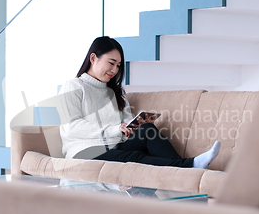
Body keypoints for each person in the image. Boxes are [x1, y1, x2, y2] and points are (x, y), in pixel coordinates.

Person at [58, 36, 220, 169]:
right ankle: (189, 166)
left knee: (147, 129)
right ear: (93, 58)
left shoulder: (117, 91)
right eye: (111, 63)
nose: (115, 70)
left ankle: (184, 169)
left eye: (118, 65)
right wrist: (116, 129)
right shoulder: (74, 86)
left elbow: (124, 124)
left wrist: (131, 126)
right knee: (134, 157)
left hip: (114, 145)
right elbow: (72, 128)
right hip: (84, 150)